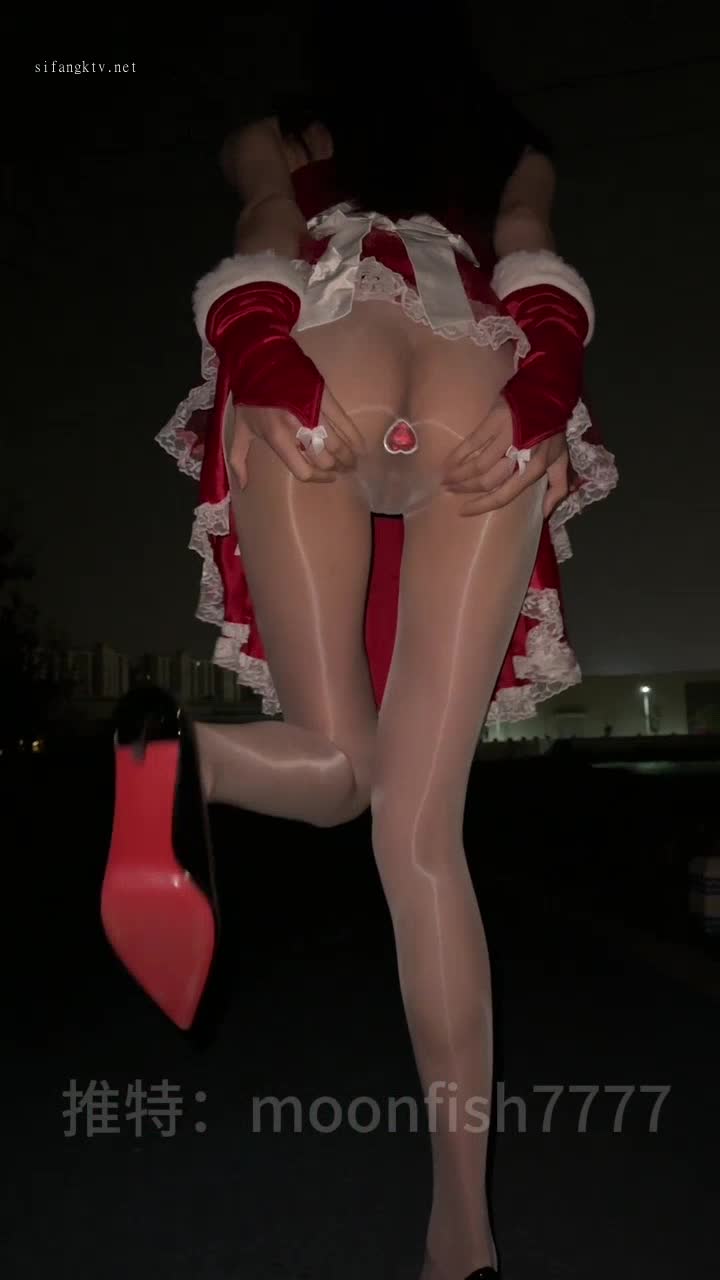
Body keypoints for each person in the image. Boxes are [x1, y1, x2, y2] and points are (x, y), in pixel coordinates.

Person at [101, 52, 617, 1280]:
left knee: (337, 764)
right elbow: (533, 254)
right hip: (475, 378)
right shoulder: (504, 138)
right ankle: (463, 1238)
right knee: (421, 835)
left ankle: (177, 758)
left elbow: (261, 229)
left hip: (325, 354)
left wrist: (259, 356)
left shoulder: (281, 128)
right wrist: (546, 386)